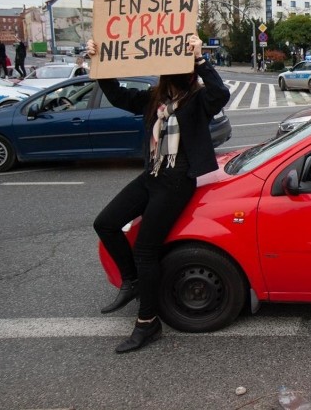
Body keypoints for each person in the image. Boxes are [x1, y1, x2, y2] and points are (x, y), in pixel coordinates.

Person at [87, 35, 230, 354]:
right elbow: (117, 96)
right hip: (152, 175)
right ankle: (133, 281)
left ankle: (147, 322)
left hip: (177, 180)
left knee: (145, 250)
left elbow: (221, 93)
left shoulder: (197, 100)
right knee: (106, 223)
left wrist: (200, 59)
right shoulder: (154, 98)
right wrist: (99, 63)